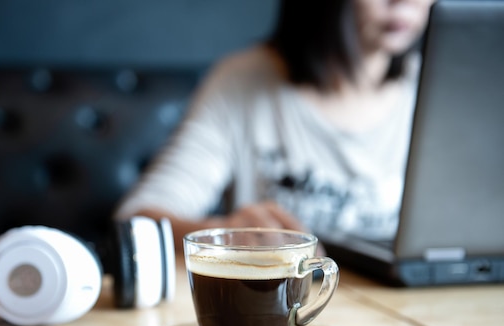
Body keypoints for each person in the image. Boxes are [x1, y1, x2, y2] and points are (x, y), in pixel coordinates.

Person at [114, 0, 435, 253]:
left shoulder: (438, 87)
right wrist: (225, 236)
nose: (407, 1)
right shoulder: (241, 84)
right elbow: (136, 225)